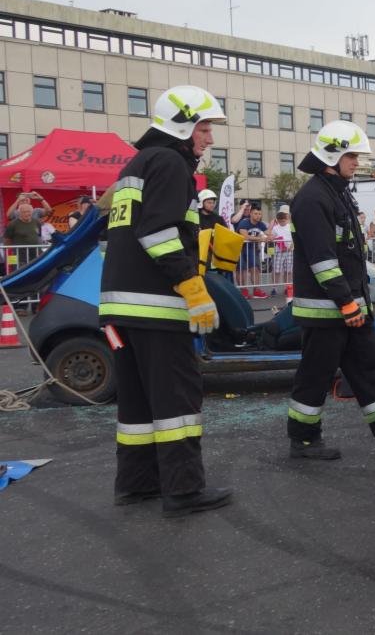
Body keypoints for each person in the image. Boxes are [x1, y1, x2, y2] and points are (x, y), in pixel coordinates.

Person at [100, 84, 231, 517]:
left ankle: (136, 485)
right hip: (156, 305)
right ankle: (183, 490)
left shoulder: (137, 164)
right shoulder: (171, 164)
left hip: (120, 309)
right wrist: (193, 288)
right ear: (183, 125)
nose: (209, 138)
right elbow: (158, 233)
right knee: (176, 399)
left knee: (136, 403)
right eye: (205, 127)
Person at [286, 120, 375, 459]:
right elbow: (323, 260)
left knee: (372, 369)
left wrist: (355, 303)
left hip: (350, 305)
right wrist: (346, 302)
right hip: (327, 310)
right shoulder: (311, 199)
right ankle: (303, 440)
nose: (357, 162)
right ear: (331, 156)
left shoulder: (336, 193)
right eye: (351, 155)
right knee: (315, 374)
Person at [235, 204, 272, 298]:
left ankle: (257, 290)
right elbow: (245, 236)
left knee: (255, 268)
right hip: (239, 247)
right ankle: (243, 290)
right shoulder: (244, 223)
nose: (258, 216)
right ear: (250, 214)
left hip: (251, 248)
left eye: (260, 214)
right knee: (241, 269)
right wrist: (260, 239)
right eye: (256, 213)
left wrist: (271, 237)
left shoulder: (261, 224)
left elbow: (269, 233)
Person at [4, 202, 44, 266]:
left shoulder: (36, 222)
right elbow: (7, 240)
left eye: (28, 211)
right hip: (20, 257)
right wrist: (11, 254)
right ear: (19, 213)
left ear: (32, 212)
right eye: (24, 212)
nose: (26, 214)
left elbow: (38, 235)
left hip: (36, 255)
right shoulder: (12, 224)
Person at [270, 210, 293, 291]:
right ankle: (274, 288)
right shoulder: (275, 228)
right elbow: (272, 237)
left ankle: (287, 287)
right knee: (276, 270)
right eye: (280, 221)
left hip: (290, 251)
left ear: (287, 219)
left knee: (288, 270)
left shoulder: (290, 226)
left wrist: (291, 246)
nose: (282, 223)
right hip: (279, 251)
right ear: (277, 220)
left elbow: (295, 237)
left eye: (284, 221)